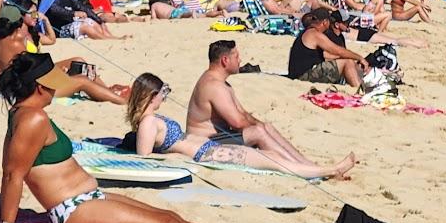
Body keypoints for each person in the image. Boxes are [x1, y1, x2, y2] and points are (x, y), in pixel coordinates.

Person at [0, 54, 286, 223]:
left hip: (88, 198)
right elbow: (12, 174)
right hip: (72, 208)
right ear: (40, 87)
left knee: (171, 218)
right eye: (52, 84)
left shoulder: (26, 113)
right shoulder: (32, 118)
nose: (58, 88)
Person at [122, 73, 347, 179]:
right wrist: (173, 158)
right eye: (163, 93)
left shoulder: (152, 119)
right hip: (206, 154)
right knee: (271, 161)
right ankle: (328, 171)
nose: (164, 98)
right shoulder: (148, 122)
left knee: (270, 157)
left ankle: (319, 171)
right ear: (151, 95)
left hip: (208, 148)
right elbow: (145, 158)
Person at [186, 39, 355, 177]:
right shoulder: (214, 86)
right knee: (259, 131)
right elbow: (237, 122)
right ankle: (308, 171)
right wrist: (259, 129)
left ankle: (307, 166)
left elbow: (243, 114)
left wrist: (262, 126)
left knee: (264, 127)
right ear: (225, 60)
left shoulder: (222, 83)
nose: (240, 60)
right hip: (204, 143)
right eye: (236, 56)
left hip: (218, 137)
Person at [0, 7, 127, 104]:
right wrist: (60, 76)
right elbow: (36, 71)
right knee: (83, 79)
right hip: (35, 90)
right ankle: (120, 101)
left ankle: (108, 92)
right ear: (18, 23)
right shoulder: (21, 41)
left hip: (23, 85)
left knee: (79, 66)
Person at [289, 9, 367, 86]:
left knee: (348, 62)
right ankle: (358, 91)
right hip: (303, 76)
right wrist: (360, 58)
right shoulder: (314, 34)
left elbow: (327, 56)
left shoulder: (308, 32)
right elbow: (337, 50)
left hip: (301, 73)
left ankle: (360, 86)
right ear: (325, 22)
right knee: (347, 62)